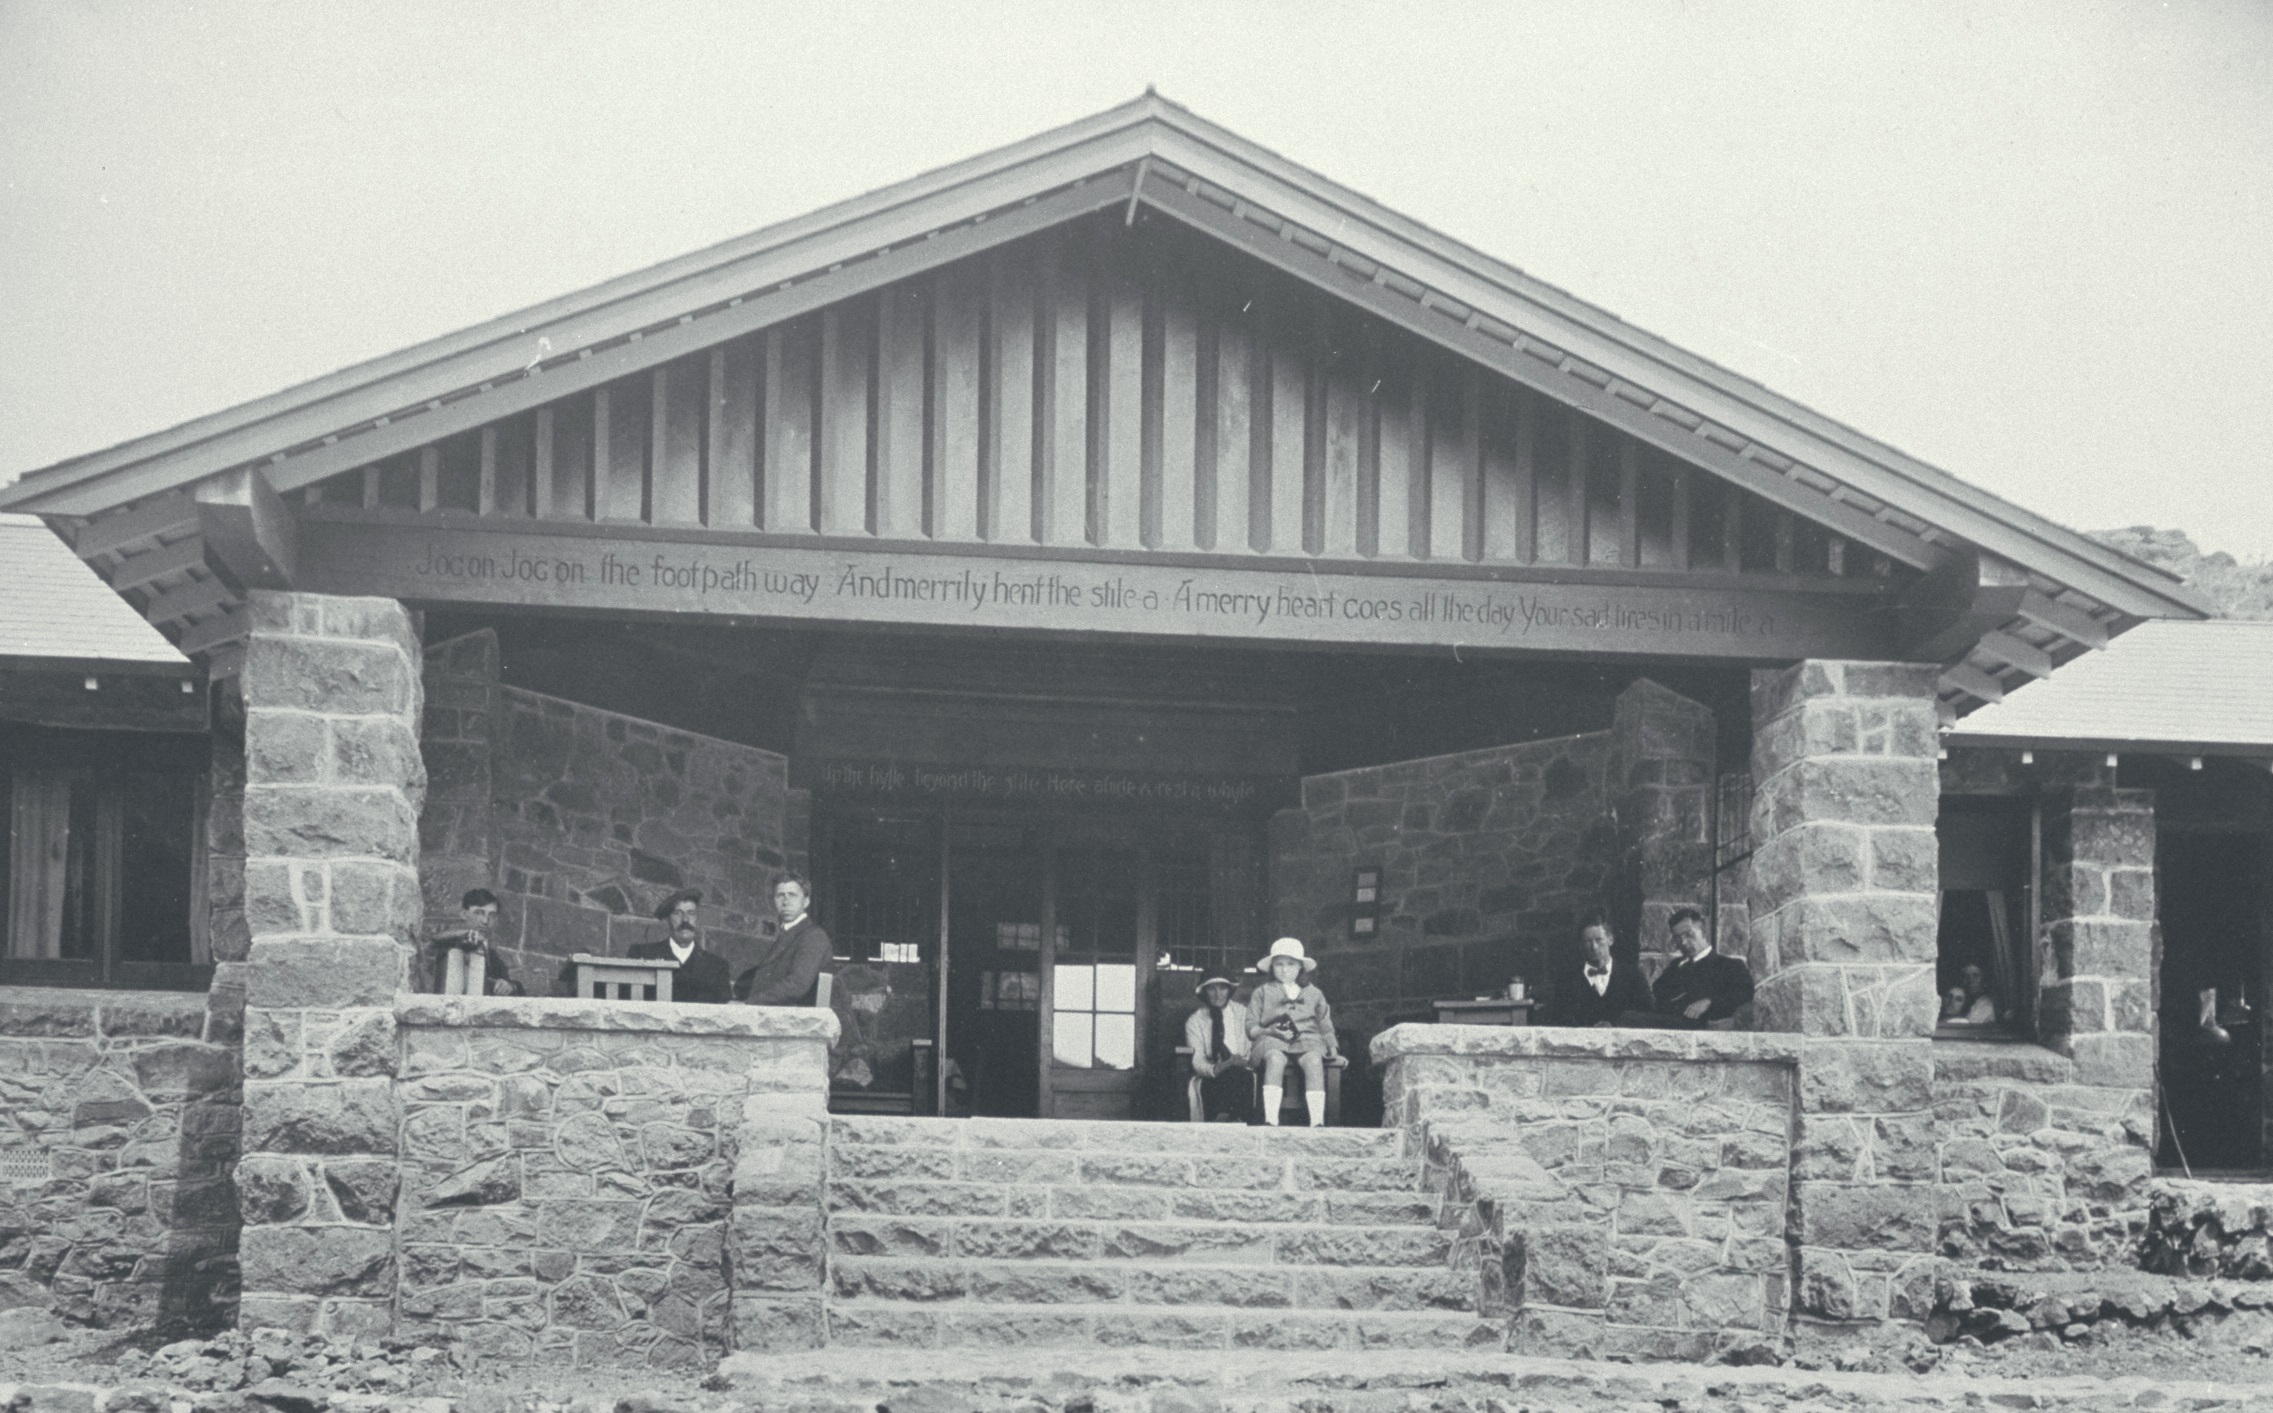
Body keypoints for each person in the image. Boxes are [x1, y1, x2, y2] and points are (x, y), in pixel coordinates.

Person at [1246, 938, 1338, 1127]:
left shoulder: (1314, 994)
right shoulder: (1262, 992)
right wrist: (1268, 1030)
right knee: (1275, 1058)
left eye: (1291, 964)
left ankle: (1317, 1121)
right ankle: (1271, 1119)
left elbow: (1324, 1022)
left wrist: (1332, 1046)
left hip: (1307, 1039)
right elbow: (1251, 1027)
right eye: (1279, 964)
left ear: (1300, 968)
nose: (1285, 969)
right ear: (1272, 967)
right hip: (1272, 1037)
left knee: (1313, 1059)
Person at [736, 874, 833, 1007]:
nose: (786, 902)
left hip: (801, 1020)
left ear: (806, 901)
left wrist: (750, 1003)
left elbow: (797, 985)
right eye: (780, 895)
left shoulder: (813, 935)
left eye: (792, 895)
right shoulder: (786, 934)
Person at [1649, 907, 1753, 1028]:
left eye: (1689, 935)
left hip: (1701, 1027)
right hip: (1669, 1024)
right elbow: (1659, 992)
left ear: (1704, 933)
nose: (1683, 942)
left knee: (1630, 1019)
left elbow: (1744, 994)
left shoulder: (1728, 965)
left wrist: (1709, 1001)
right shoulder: (1676, 966)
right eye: (1678, 938)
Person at [628, 888, 734, 1004]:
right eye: (677, 913)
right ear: (668, 920)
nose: (685, 920)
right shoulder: (643, 954)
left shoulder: (717, 966)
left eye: (691, 913)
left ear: (697, 919)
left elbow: (724, 1012)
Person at [1553, 916, 1652, 1027]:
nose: (1594, 947)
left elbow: (1646, 1014)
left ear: (1610, 940)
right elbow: (1560, 1018)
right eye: (1588, 941)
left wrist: (1616, 1025)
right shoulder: (1568, 981)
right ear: (1581, 945)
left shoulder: (1633, 976)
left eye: (1599, 940)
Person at [425, 889, 523, 996]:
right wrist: (461, 934)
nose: (485, 921)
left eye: (492, 916)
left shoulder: (492, 957)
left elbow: (513, 986)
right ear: (464, 914)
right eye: (478, 913)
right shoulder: (445, 943)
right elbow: (433, 941)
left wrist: (509, 986)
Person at [1184, 976, 1253, 1123]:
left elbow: (1254, 1048)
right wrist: (1219, 1067)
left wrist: (1244, 1062)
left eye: (1223, 988)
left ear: (1230, 990)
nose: (1217, 994)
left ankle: (1235, 1120)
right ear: (1204, 992)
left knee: (1238, 1076)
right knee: (1224, 1079)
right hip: (1213, 1075)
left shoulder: (1243, 1014)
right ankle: (1224, 1121)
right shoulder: (1195, 1021)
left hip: (1243, 1073)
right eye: (1211, 988)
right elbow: (1198, 1061)